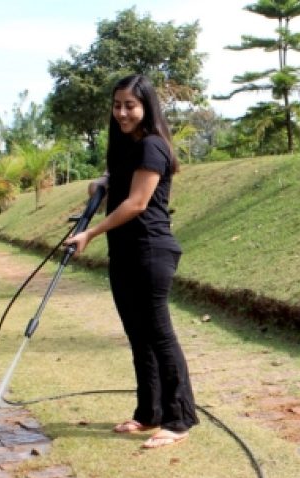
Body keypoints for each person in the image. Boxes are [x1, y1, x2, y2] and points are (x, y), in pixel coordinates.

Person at [65, 74, 198, 449]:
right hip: (124, 252)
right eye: (117, 105)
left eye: (131, 105)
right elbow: (114, 181)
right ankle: (148, 413)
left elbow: (137, 203)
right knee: (138, 336)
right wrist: (100, 184)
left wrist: (90, 233)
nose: (123, 113)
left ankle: (179, 418)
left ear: (146, 107)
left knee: (158, 334)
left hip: (150, 250)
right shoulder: (125, 146)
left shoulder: (153, 146)